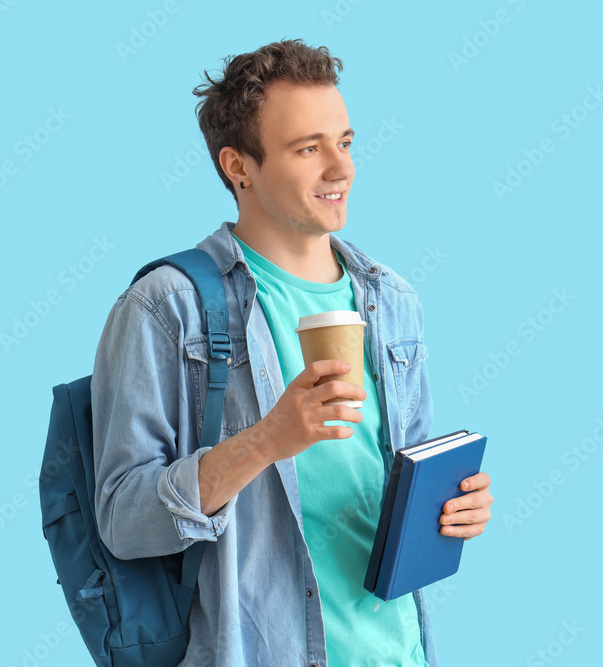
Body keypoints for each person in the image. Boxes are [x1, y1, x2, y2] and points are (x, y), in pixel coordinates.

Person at [91, 38, 493, 667]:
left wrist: (453, 507)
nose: (341, 168)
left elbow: (403, 479)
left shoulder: (393, 299)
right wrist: (267, 440)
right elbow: (122, 518)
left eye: (346, 142)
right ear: (238, 166)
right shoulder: (167, 306)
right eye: (309, 148)